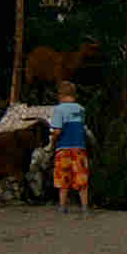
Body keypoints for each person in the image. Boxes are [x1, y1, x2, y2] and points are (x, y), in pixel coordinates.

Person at [47, 79, 92, 212]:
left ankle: (62, 206)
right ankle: (85, 207)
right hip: (79, 148)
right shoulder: (81, 109)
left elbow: (57, 131)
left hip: (63, 148)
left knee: (63, 178)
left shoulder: (58, 110)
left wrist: (53, 141)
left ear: (60, 95)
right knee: (81, 178)